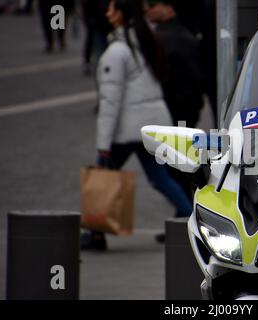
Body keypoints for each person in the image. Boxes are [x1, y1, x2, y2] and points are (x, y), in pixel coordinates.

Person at [81, 0, 193, 250]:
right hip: (150, 124)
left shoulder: (118, 51)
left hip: (128, 128)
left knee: (103, 176)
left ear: (121, 14)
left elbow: (110, 102)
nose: (108, 13)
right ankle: (193, 222)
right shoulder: (146, 40)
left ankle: (96, 234)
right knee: (160, 178)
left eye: (112, 9)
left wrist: (103, 145)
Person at [145, 0, 204, 129]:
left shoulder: (168, 38)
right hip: (183, 111)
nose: (148, 9)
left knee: (178, 146)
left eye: (152, 5)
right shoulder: (180, 34)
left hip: (177, 112)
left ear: (169, 8)